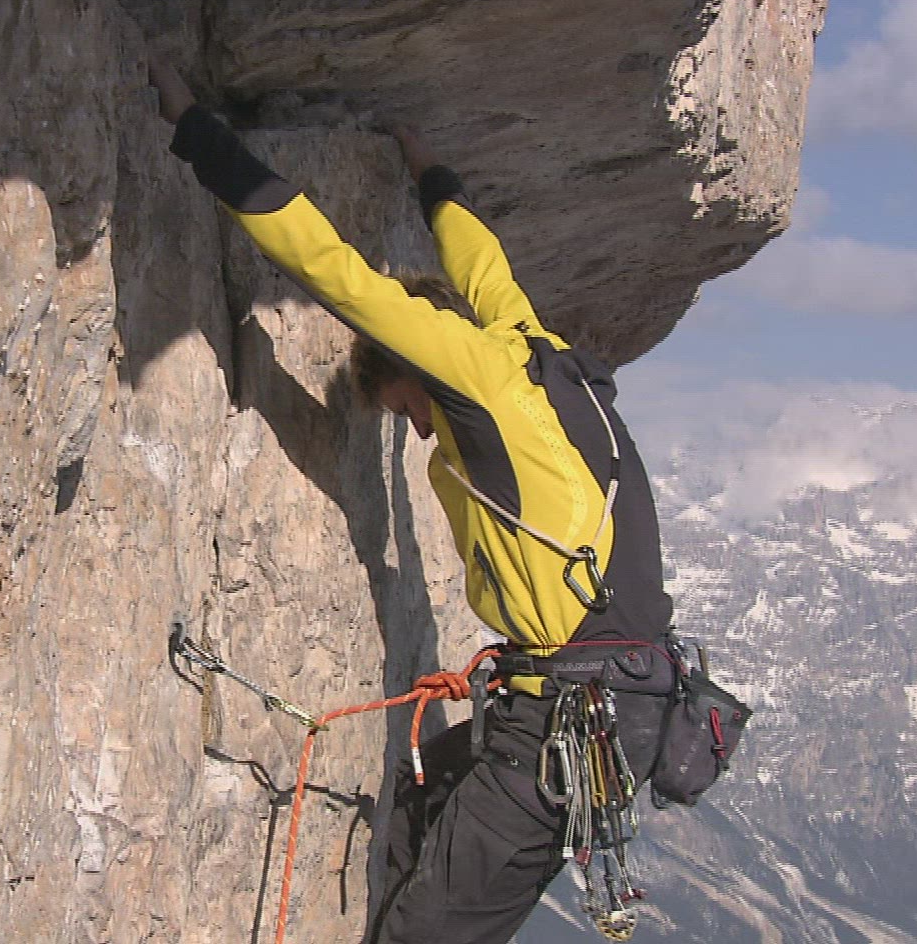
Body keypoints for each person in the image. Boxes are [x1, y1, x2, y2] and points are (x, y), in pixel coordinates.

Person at [148, 56, 677, 944]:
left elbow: (336, 274)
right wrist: (430, 173)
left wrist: (195, 129)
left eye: (407, 411)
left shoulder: (468, 375)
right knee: (416, 797)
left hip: (566, 722)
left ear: (421, 367)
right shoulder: (524, 347)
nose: (422, 434)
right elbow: (483, 263)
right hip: (602, 704)